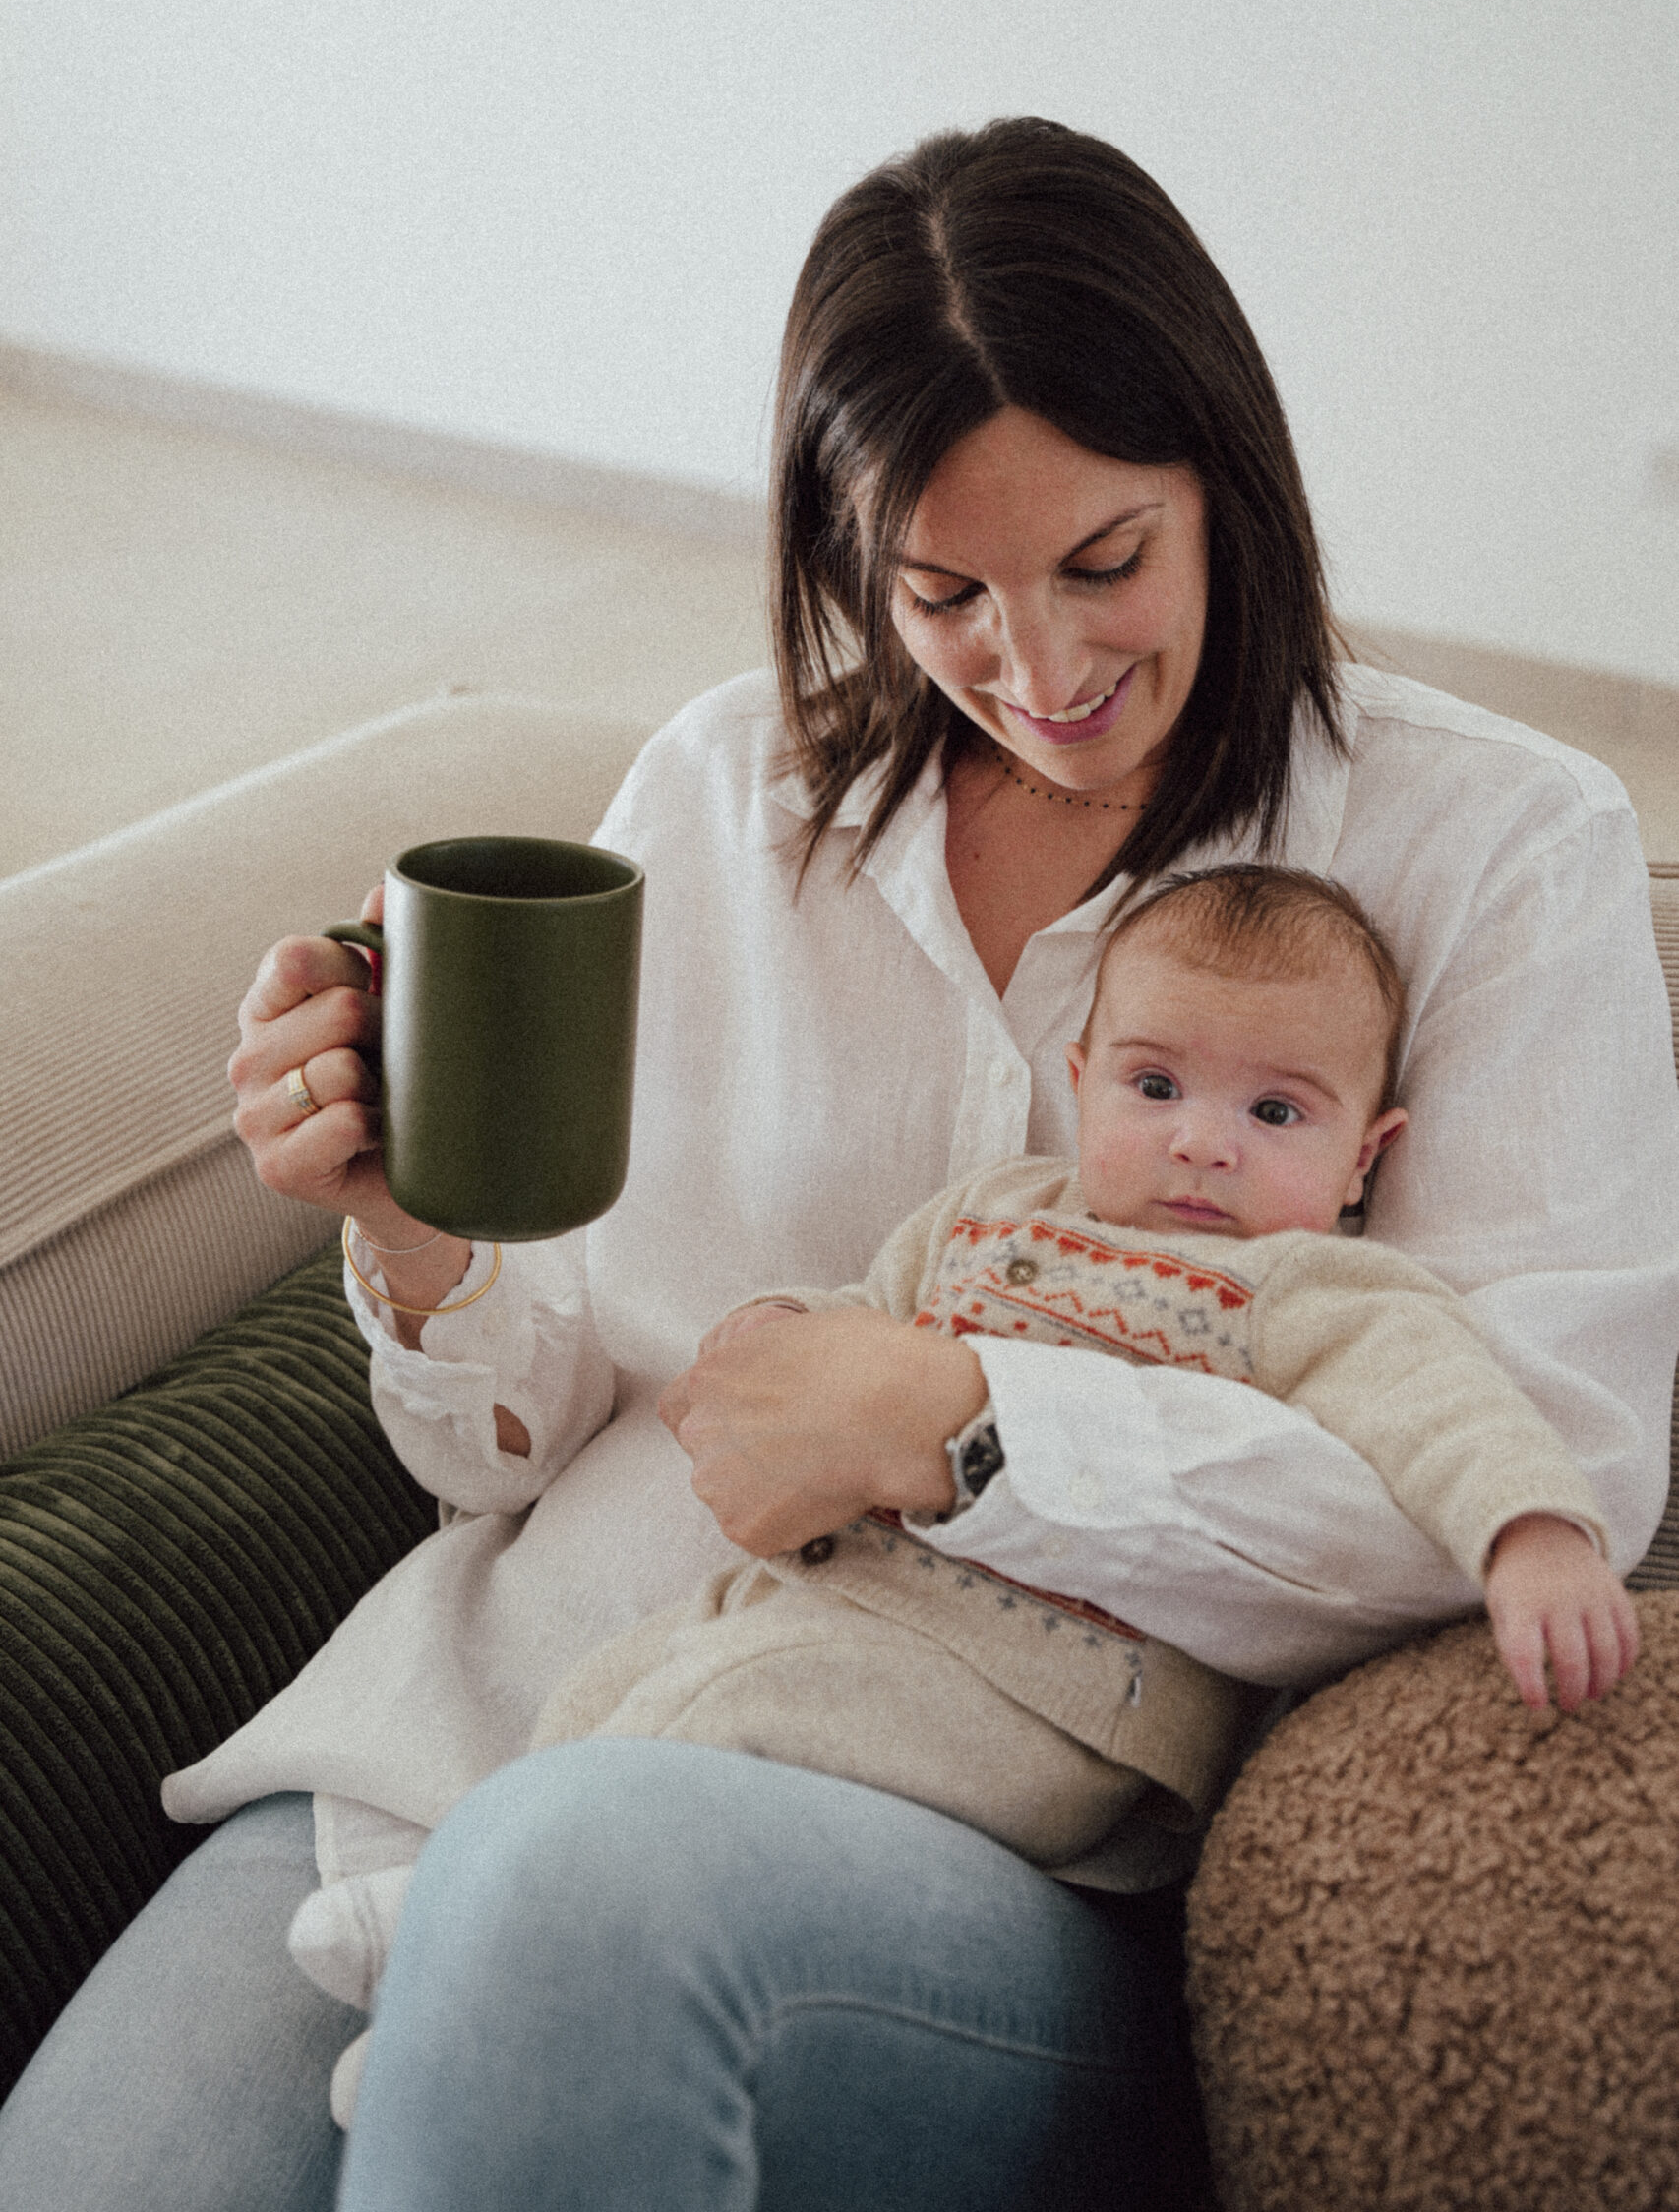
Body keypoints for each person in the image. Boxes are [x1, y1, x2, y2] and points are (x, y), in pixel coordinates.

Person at [1, 118, 1674, 2212]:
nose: (1039, 671)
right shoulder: (723, 786)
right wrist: (416, 1223)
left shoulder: (1492, 842)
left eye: (1102, 562)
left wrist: (963, 1423)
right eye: (941, 591)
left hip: (976, 1834)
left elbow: (1550, 1465)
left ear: (1224, 492)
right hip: (480, 1731)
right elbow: (513, 1447)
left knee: (569, 1892)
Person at [287, 864, 1638, 2130]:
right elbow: (870, 1323)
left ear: (1366, 1156)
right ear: (1081, 1076)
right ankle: (462, 1955)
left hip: (1056, 1704)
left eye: (1275, 1113)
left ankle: (473, 1933)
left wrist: (1530, 1532)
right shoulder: (989, 1214)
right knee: (617, 1689)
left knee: (720, 1719)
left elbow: (1446, 1409)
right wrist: (779, 1327)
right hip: (825, 1605)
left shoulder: (1312, 1291)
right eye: (1155, 1085)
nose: (1202, 1147)